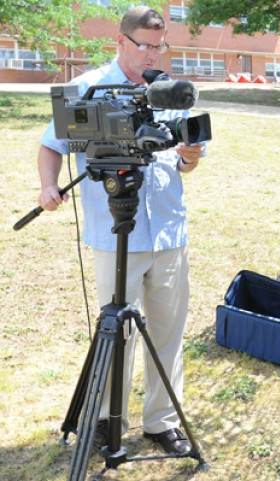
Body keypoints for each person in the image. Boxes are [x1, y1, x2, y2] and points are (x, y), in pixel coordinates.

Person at [37, 7, 204, 454]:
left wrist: (189, 154)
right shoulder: (86, 87)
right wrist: (48, 185)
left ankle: (162, 422)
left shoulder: (169, 91)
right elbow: (50, 144)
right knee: (117, 332)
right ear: (121, 41)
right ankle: (106, 421)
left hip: (169, 233)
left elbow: (190, 161)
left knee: (167, 332)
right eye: (144, 45)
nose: (152, 53)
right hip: (113, 233)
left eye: (159, 44)